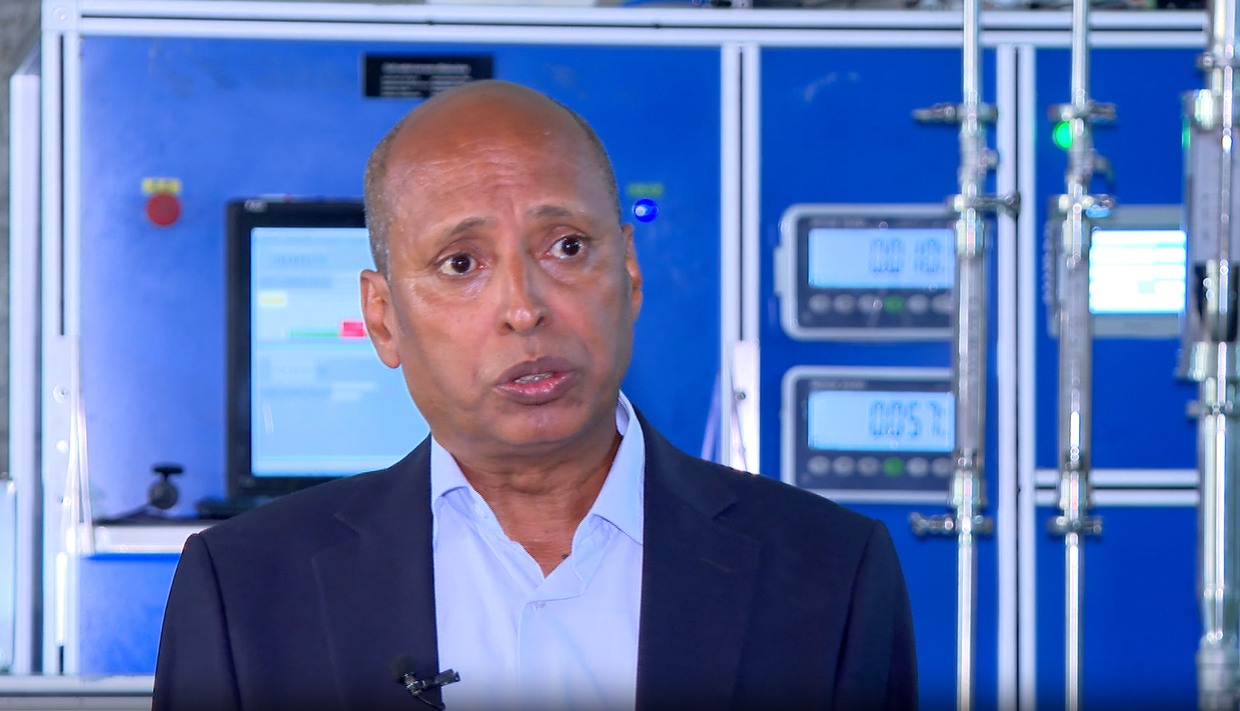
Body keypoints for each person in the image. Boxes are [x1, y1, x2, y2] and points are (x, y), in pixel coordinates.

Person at [151, 79, 917, 711]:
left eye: (567, 247)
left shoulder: (831, 575)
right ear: (382, 319)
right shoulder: (245, 591)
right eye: (461, 263)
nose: (524, 307)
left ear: (630, 273)